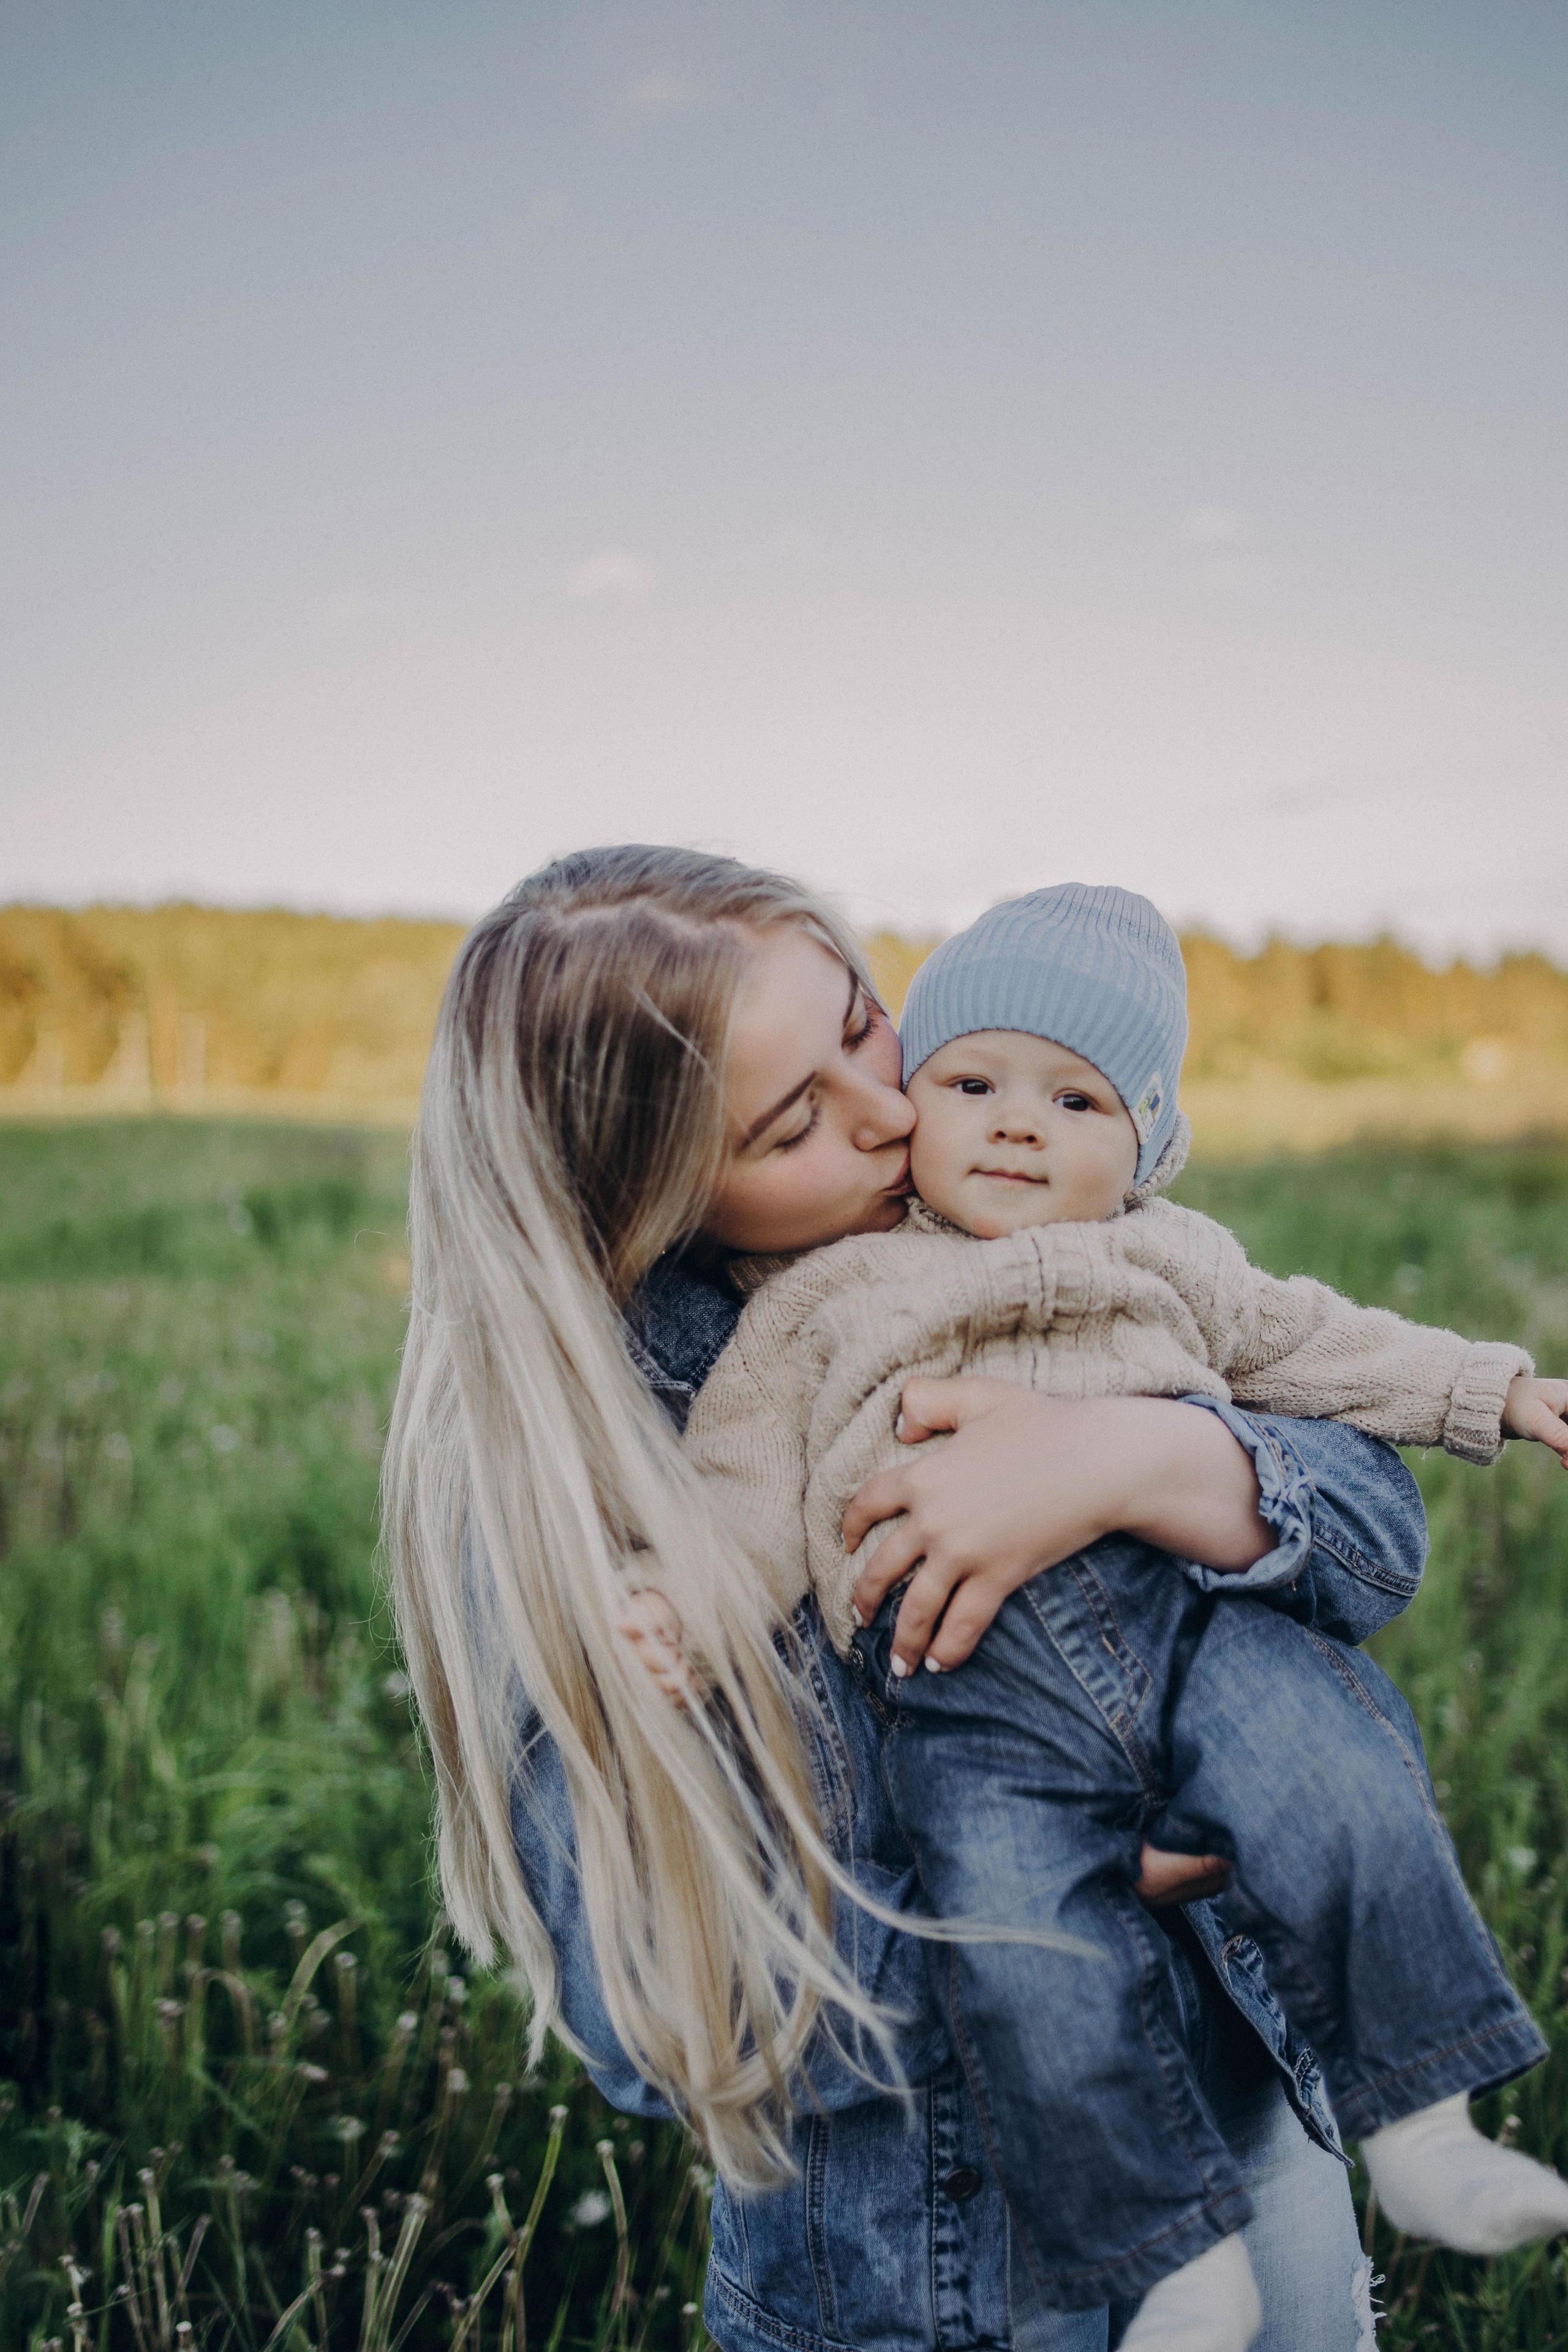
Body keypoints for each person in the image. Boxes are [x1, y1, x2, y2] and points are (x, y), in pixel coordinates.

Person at [384, 845, 1436, 2352]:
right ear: (649, 1196)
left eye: (862, 1025)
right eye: (793, 1119)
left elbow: (1369, 1529)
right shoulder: (589, 1475)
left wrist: (1139, 1459)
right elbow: (667, 2008)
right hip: (947, 2272)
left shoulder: (1011, 1229)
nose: (896, 1110)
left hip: (1249, 2102)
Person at [653, 882, 1568, 2348]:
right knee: (1032, 1953)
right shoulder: (827, 1294)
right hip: (964, 1692)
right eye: (971, 1084)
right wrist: (678, 1609)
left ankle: (1423, 2116)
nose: (1018, 1125)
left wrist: (1491, 1390)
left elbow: (1322, 1343)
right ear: (924, 1099)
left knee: (1343, 1780)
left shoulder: (1173, 1256)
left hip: (1199, 1631)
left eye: (1075, 1100)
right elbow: (747, 1472)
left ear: (1147, 1145)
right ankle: (1165, 2260)